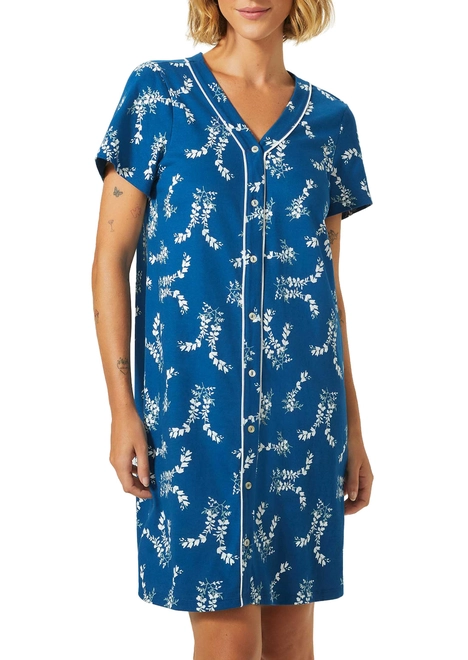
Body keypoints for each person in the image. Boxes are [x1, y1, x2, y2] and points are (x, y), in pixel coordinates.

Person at [92, 1, 374, 658]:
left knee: (292, 643)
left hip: (302, 420)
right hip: (194, 420)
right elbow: (109, 259)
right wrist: (121, 408)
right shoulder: (158, 94)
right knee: (227, 643)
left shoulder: (330, 122)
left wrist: (354, 429)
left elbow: (326, 293)